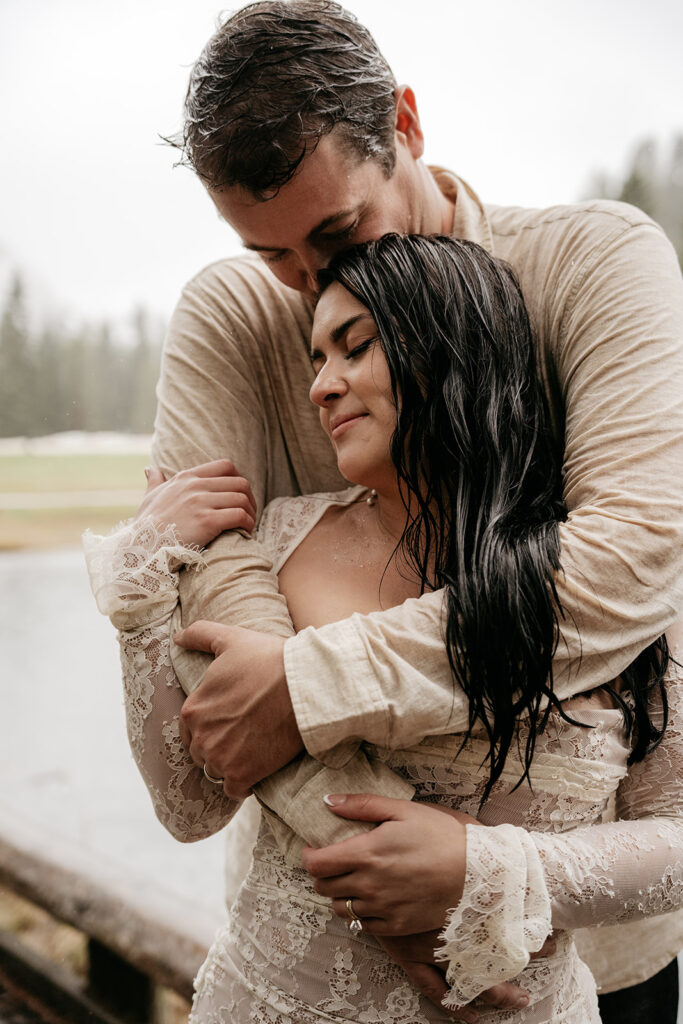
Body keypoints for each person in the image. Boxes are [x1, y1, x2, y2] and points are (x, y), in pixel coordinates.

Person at [151, 0, 683, 1016]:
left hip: (591, 938)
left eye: (336, 231)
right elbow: (218, 595)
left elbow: (627, 564)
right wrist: (395, 883)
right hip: (324, 932)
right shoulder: (230, 314)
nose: (314, 284)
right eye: (274, 258)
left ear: (404, 122)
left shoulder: (596, 264)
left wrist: (312, 682)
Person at [85, 233, 683, 1023]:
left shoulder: (595, 584)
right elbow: (189, 806)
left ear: (453, 353)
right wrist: (142, 593)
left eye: (354, 348)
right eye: (314, 361)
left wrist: (492, 869)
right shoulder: (280, 541)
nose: (321, 388)